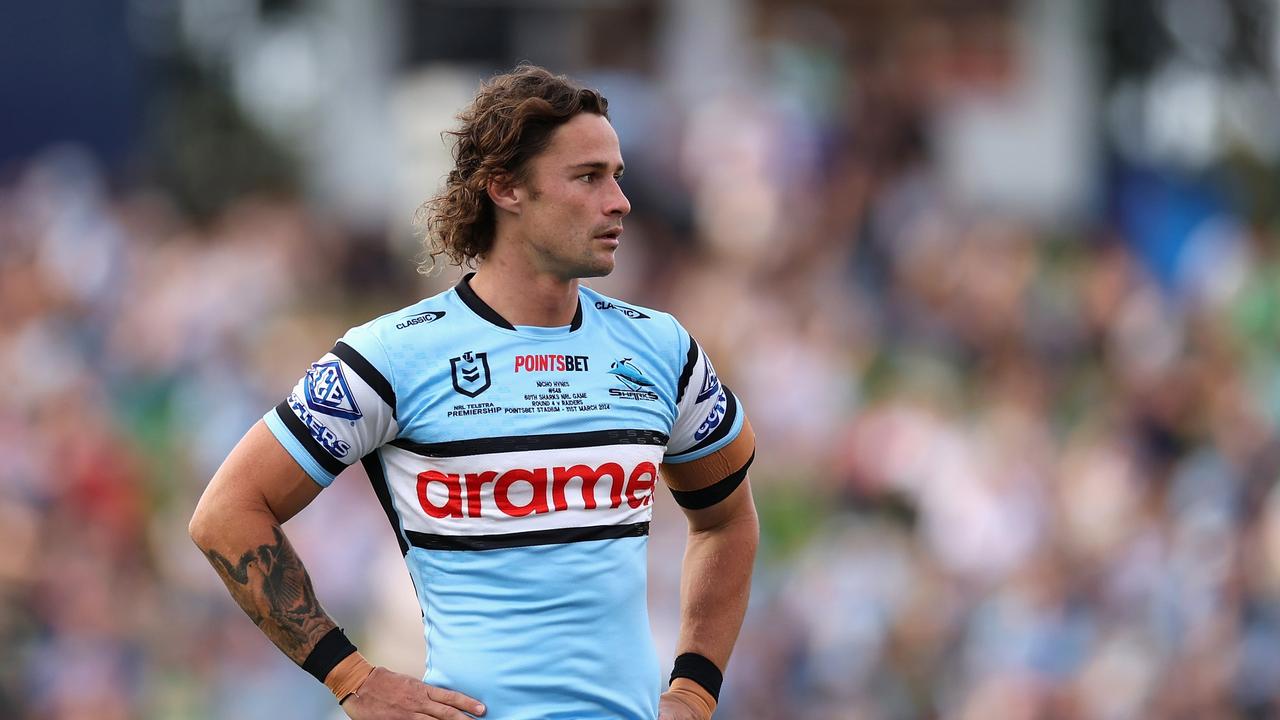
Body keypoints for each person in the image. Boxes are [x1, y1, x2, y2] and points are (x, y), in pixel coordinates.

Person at [189, 63, 758, 720]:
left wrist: (693, 690)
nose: (620, 201)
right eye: (588, 177)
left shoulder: (661, 350)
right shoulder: (393, 356)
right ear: (505, 188)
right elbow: (226, 514)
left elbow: (727, 521)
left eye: (618, 176)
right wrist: (352, 677)